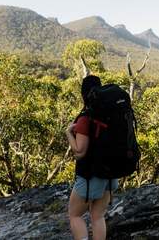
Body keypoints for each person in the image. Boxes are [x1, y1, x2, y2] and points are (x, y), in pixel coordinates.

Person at [65, 75, 119, 240]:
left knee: (74, 215)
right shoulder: (112, 113)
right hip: (111, 174)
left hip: (91, 175)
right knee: (97, 216)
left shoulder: (85, 118)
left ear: (83, 93)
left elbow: (80, 151)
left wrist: (68, 133)